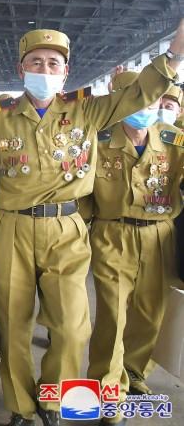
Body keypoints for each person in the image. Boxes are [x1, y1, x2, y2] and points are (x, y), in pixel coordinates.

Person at [0, 25, 184, 426]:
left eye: (53, 64)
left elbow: (138, 94)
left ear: (66, 73)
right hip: (10, 230)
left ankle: (51, 398)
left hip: (66, 230)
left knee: (71, 328)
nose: (44, 70)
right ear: (20, 69)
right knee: (14, 326)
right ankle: (21, 406)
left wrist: (173, 57)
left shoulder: (88, 111)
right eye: (35, 62)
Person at [86, 71, 184, 422]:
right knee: (113, 316)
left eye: (152, 98)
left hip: (161, 236)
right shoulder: (98, 140)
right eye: (135, 96)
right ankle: (108, 390)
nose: (145, 105)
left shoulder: (175, 142)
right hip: (113, 235)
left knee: (151, 314)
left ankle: (135, 371)